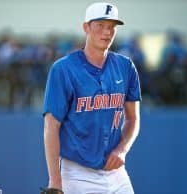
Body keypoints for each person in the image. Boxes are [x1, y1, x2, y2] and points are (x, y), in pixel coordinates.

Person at [43, 2, 141, 194]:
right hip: (77, 173)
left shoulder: (125, 66)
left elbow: (133, 118)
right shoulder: (63, 69)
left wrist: (122, 149)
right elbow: (51, 126)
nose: (107, 32)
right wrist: (55, 180)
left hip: (116, 173)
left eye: (112, 27)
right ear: (86, 27)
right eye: (100, 25)